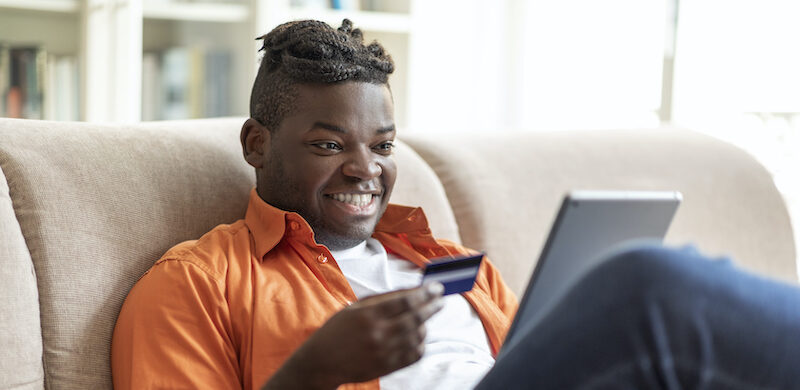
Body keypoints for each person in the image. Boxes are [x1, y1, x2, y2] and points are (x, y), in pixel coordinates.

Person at [111, 19, 800, 390]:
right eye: (329, 145)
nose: (366, 168)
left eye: (382, 144)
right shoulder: (196, 283)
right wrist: (314, 371)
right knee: (648, 286)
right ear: (256, 143)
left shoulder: (452, 263)